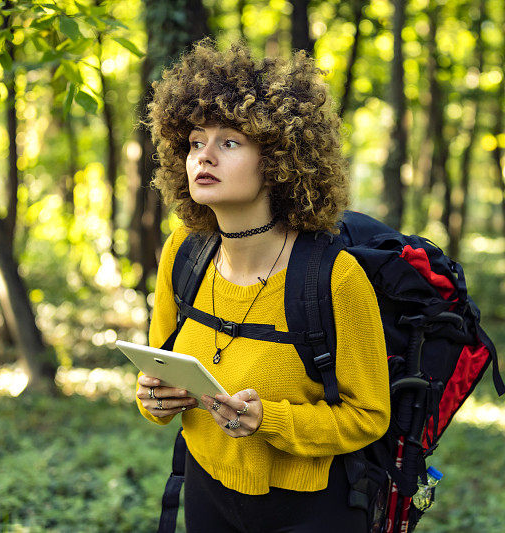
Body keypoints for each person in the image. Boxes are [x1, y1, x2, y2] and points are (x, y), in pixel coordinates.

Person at [134, 37, 390, 532]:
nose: (203, 157)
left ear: (278, 159)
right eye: (194, 142)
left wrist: (268, 420)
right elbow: (159, 365)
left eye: (229, 142)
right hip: (205, 490)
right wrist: (153, 400)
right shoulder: (183, 251)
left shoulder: (333, 277)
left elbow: (368, 416)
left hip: (310, 510)